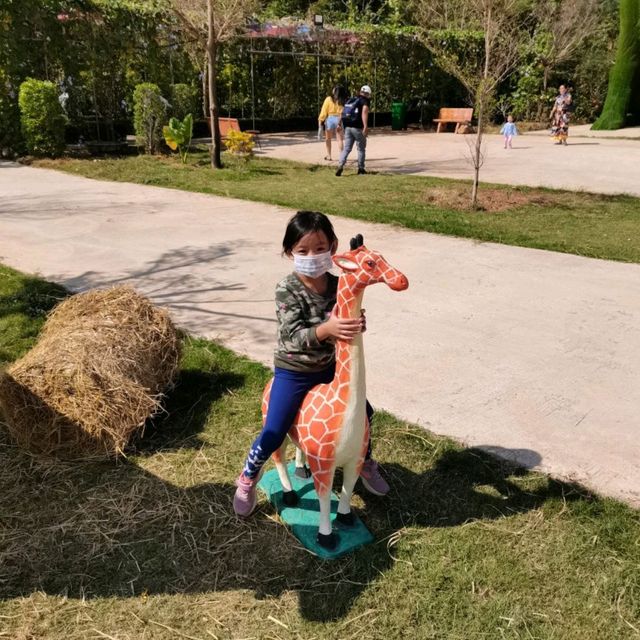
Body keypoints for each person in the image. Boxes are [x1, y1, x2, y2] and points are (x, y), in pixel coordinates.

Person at [233, 210, 390, 517]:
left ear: (333, 247)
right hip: (296, 371)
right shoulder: (287, 289)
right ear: (289, 252)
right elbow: (291, 337)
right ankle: (248, 476)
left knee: (364, 413)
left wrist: (355, 325)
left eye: (320, 249)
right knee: (275, 428)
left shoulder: (337, 285)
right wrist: (326, 330)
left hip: (331, 369)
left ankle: (366, 461)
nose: (312, 256)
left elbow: (346, 322)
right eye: (302, 251)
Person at [335, 85, 371, 177]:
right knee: (361, 149)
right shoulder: (364, 100)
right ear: (368, 93)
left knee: (347, 148)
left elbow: (342, 112)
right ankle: (361, 169)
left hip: (347, 128)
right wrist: (365, 126)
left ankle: (340, 165)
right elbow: (364, 111)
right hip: (358, 128)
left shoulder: (351, 99)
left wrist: (339, 124)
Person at [318, 85, 348, 161]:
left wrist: (320, 122)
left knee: (328, 139)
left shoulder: (328, 99)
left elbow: (324, 112)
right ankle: (342, 156)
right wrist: (339, 123)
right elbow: (342, 113)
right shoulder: (342, 100)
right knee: (340, 139)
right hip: (339, 119)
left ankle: (329, 155)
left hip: (330, 119)